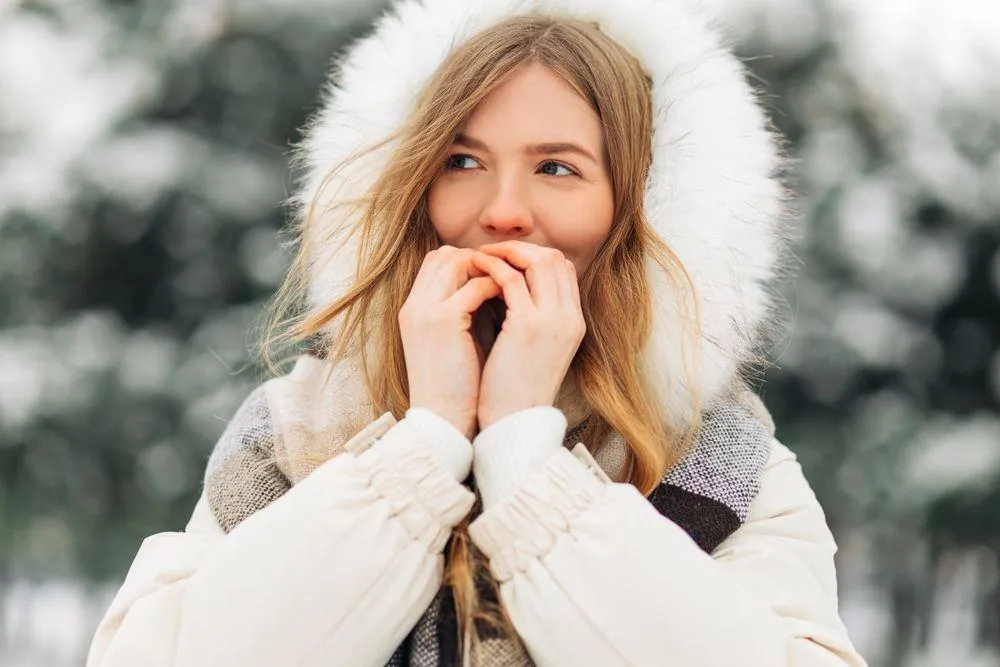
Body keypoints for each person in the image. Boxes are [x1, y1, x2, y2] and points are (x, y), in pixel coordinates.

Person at [86, 0, 868, 665]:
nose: (503, 209)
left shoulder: (717, 455)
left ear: (640, 211)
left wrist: (527, 459)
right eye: (462, 160)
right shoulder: (295, 430)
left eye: (556, 168)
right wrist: (423, 446)